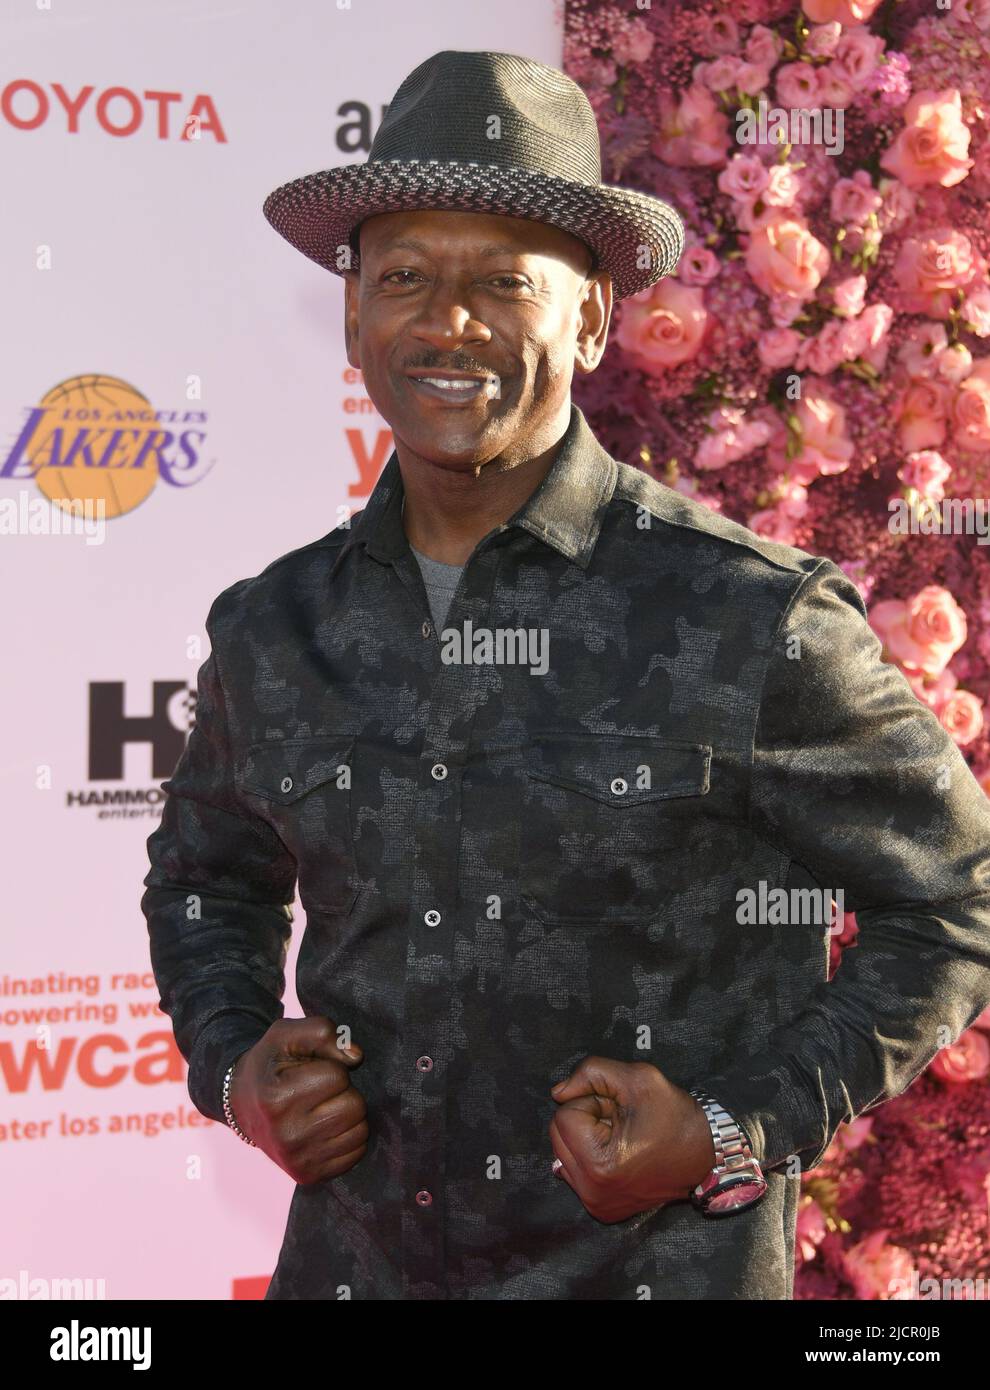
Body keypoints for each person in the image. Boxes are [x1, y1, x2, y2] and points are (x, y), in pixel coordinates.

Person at [141, 49, 990, 1300]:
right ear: (353, 313)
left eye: (503, 282)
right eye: (408, 279)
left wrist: (728, 1127)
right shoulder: (274, 624)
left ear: (592, 315)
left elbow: (958, 901)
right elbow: (204, 882)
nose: (448, 323)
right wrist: (233, 1067)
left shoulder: (753, 617)